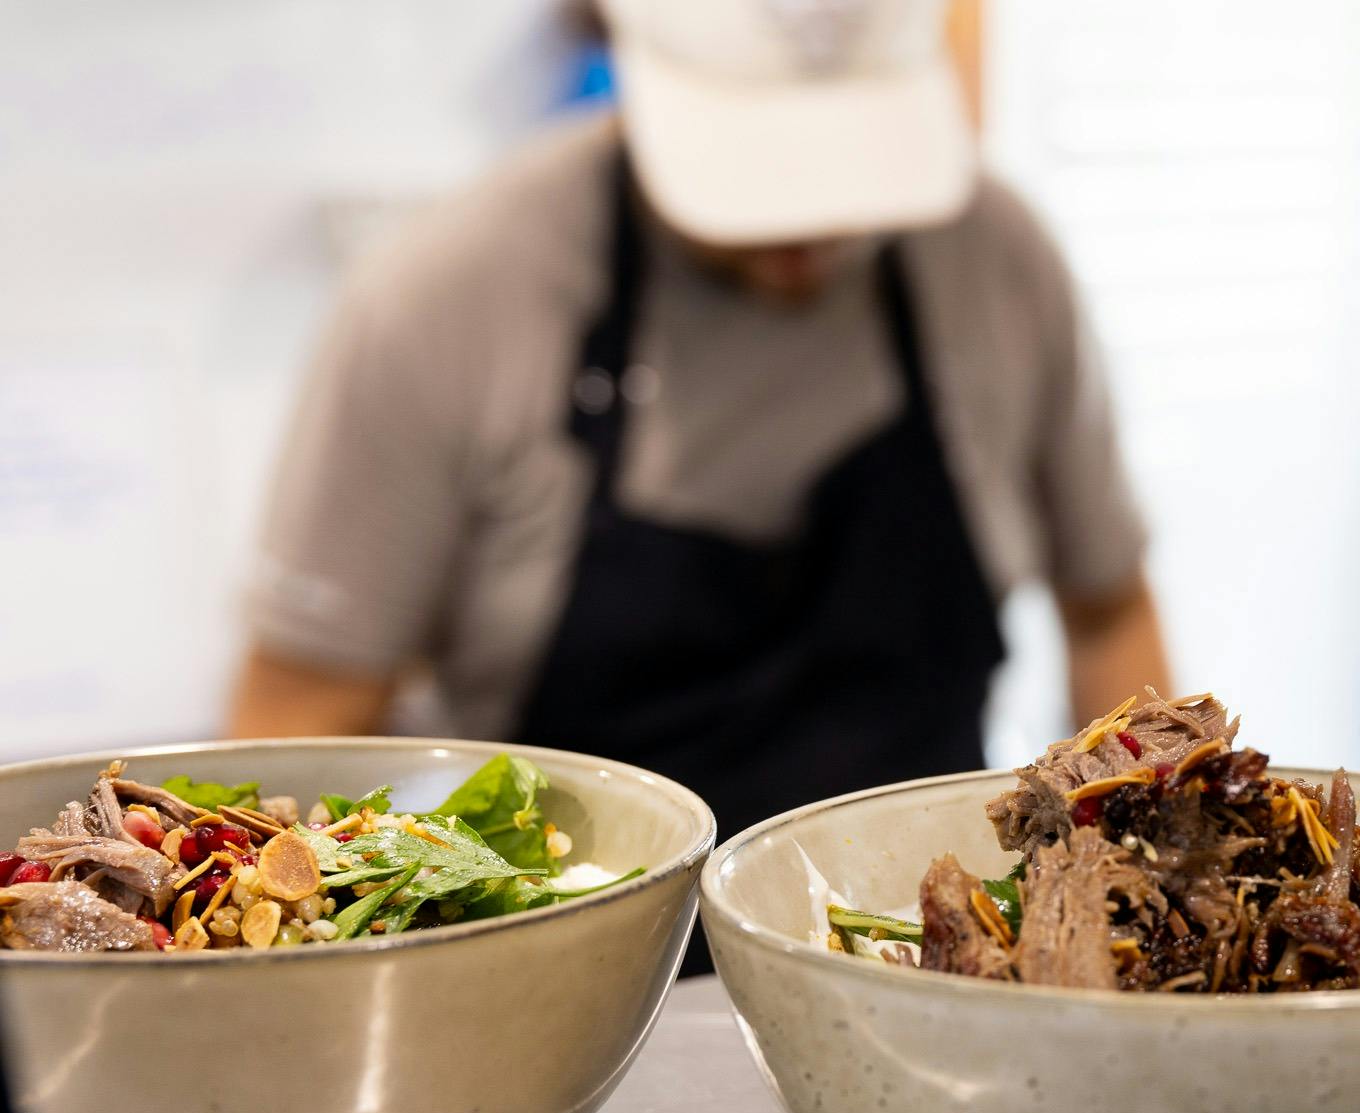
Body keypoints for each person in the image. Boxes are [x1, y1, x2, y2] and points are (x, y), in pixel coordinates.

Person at [228, 0, 1169, 973]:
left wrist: (1158, 911)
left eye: (845, 177)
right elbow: (300, 717)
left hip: (937, 975)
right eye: (756, 181)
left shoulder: (994, 261)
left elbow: (1107, 617)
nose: (804, 237)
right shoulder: (448, 297)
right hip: (561, 1000)